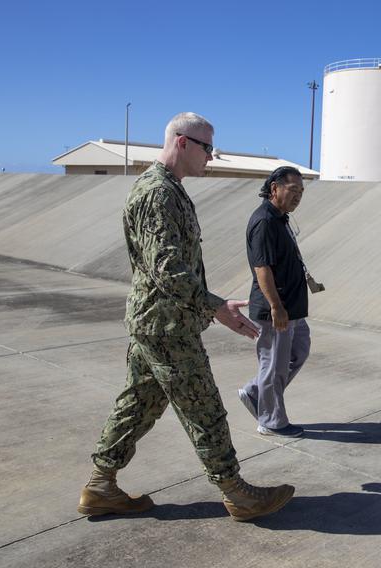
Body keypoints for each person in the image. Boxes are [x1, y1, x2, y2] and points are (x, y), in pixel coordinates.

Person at [78, 112, 295, 522]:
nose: (211, 158)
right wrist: (215, 307)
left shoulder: (169, 189)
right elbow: (168, 269)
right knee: (204, 408)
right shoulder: (158, 193)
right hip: (166, 327)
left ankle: (100, 486)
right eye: (207, 148)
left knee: (137, 405)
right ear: (182, 142)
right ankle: (237, 493)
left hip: (158, 322)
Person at [238, 166, 314, 438]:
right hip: (276, 309)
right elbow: (262, 268)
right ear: (274, 189)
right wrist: (276, 307)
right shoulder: (265, 221)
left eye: (301, 192)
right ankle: (271, 421)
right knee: (274, 364)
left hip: (291, 308)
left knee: (299, 350)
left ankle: (257, 391)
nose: (298, 197)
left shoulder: (280, 218)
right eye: (293, 191)